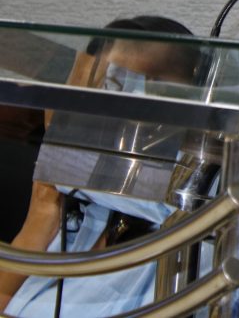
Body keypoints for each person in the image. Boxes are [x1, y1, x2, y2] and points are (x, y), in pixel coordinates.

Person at [0, 16, 202, 317]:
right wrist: (41, 216)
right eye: (85, 96)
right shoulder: (79, 220)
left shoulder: (199, 250)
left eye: (147, 90)